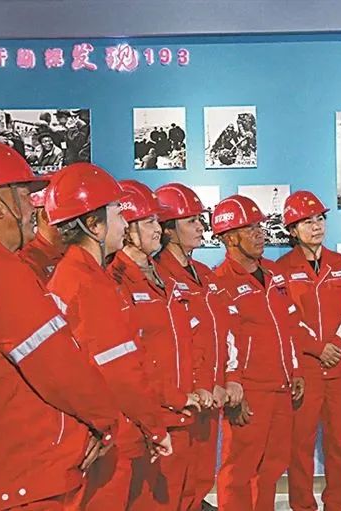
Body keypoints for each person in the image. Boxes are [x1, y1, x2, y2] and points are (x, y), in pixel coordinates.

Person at [0, 141, 119, 510]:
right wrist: (107, 423)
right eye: (26, 196)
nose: (34, 207)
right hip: (25, 479)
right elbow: (59, 369)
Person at [45, 162, 173, 510]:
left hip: (91, 431)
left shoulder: (73, 274)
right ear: (93, 224)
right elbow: (119, 370)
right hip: (109, 437)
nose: (125, 223)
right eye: (118, 213)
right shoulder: (89, 284)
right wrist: (154, 427)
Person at [212, 194, 315, 511]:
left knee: (272, 466)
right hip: (249, 392)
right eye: (251, 229)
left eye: (261, 227)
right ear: (230, 238)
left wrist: (295, 370)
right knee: (239, 470)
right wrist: (234, 393)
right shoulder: (220, 282)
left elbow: (288, 324)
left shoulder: (273, 274)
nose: (261, 234)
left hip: (281, 390)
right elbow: (223, 342)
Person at [108, 180, 203, 510]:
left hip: (181, 414)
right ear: (127, 227)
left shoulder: (165, 278)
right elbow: (132, 358)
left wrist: (193, 389)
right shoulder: (115, 281)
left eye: (158, 222)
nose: (158, 230)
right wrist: (173, 397)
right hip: (149, 421)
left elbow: (187, 338)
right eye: (149, 222)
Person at [277, 191, 341, 511]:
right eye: (307, 221)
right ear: (292, 230)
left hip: (339, 369)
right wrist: (317, 348)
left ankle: (337, 504)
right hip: (305, 372)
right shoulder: (281, 269)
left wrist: (337, 346)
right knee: (300, 444)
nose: (316, 226)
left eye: (320, 219)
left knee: (338, 442)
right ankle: (302, 505)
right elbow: (286, 318)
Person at [155, 183, 239, 511]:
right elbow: (175, 343)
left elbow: (226, 330)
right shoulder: (159, 276)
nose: (201, 227)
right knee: (172, 483)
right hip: (184, 399)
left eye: (200, 220)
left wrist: (230, 378)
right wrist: (203, 384)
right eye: (191, 221)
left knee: (200, 478)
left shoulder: (206, 275)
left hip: (211, 398)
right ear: (168, 229)